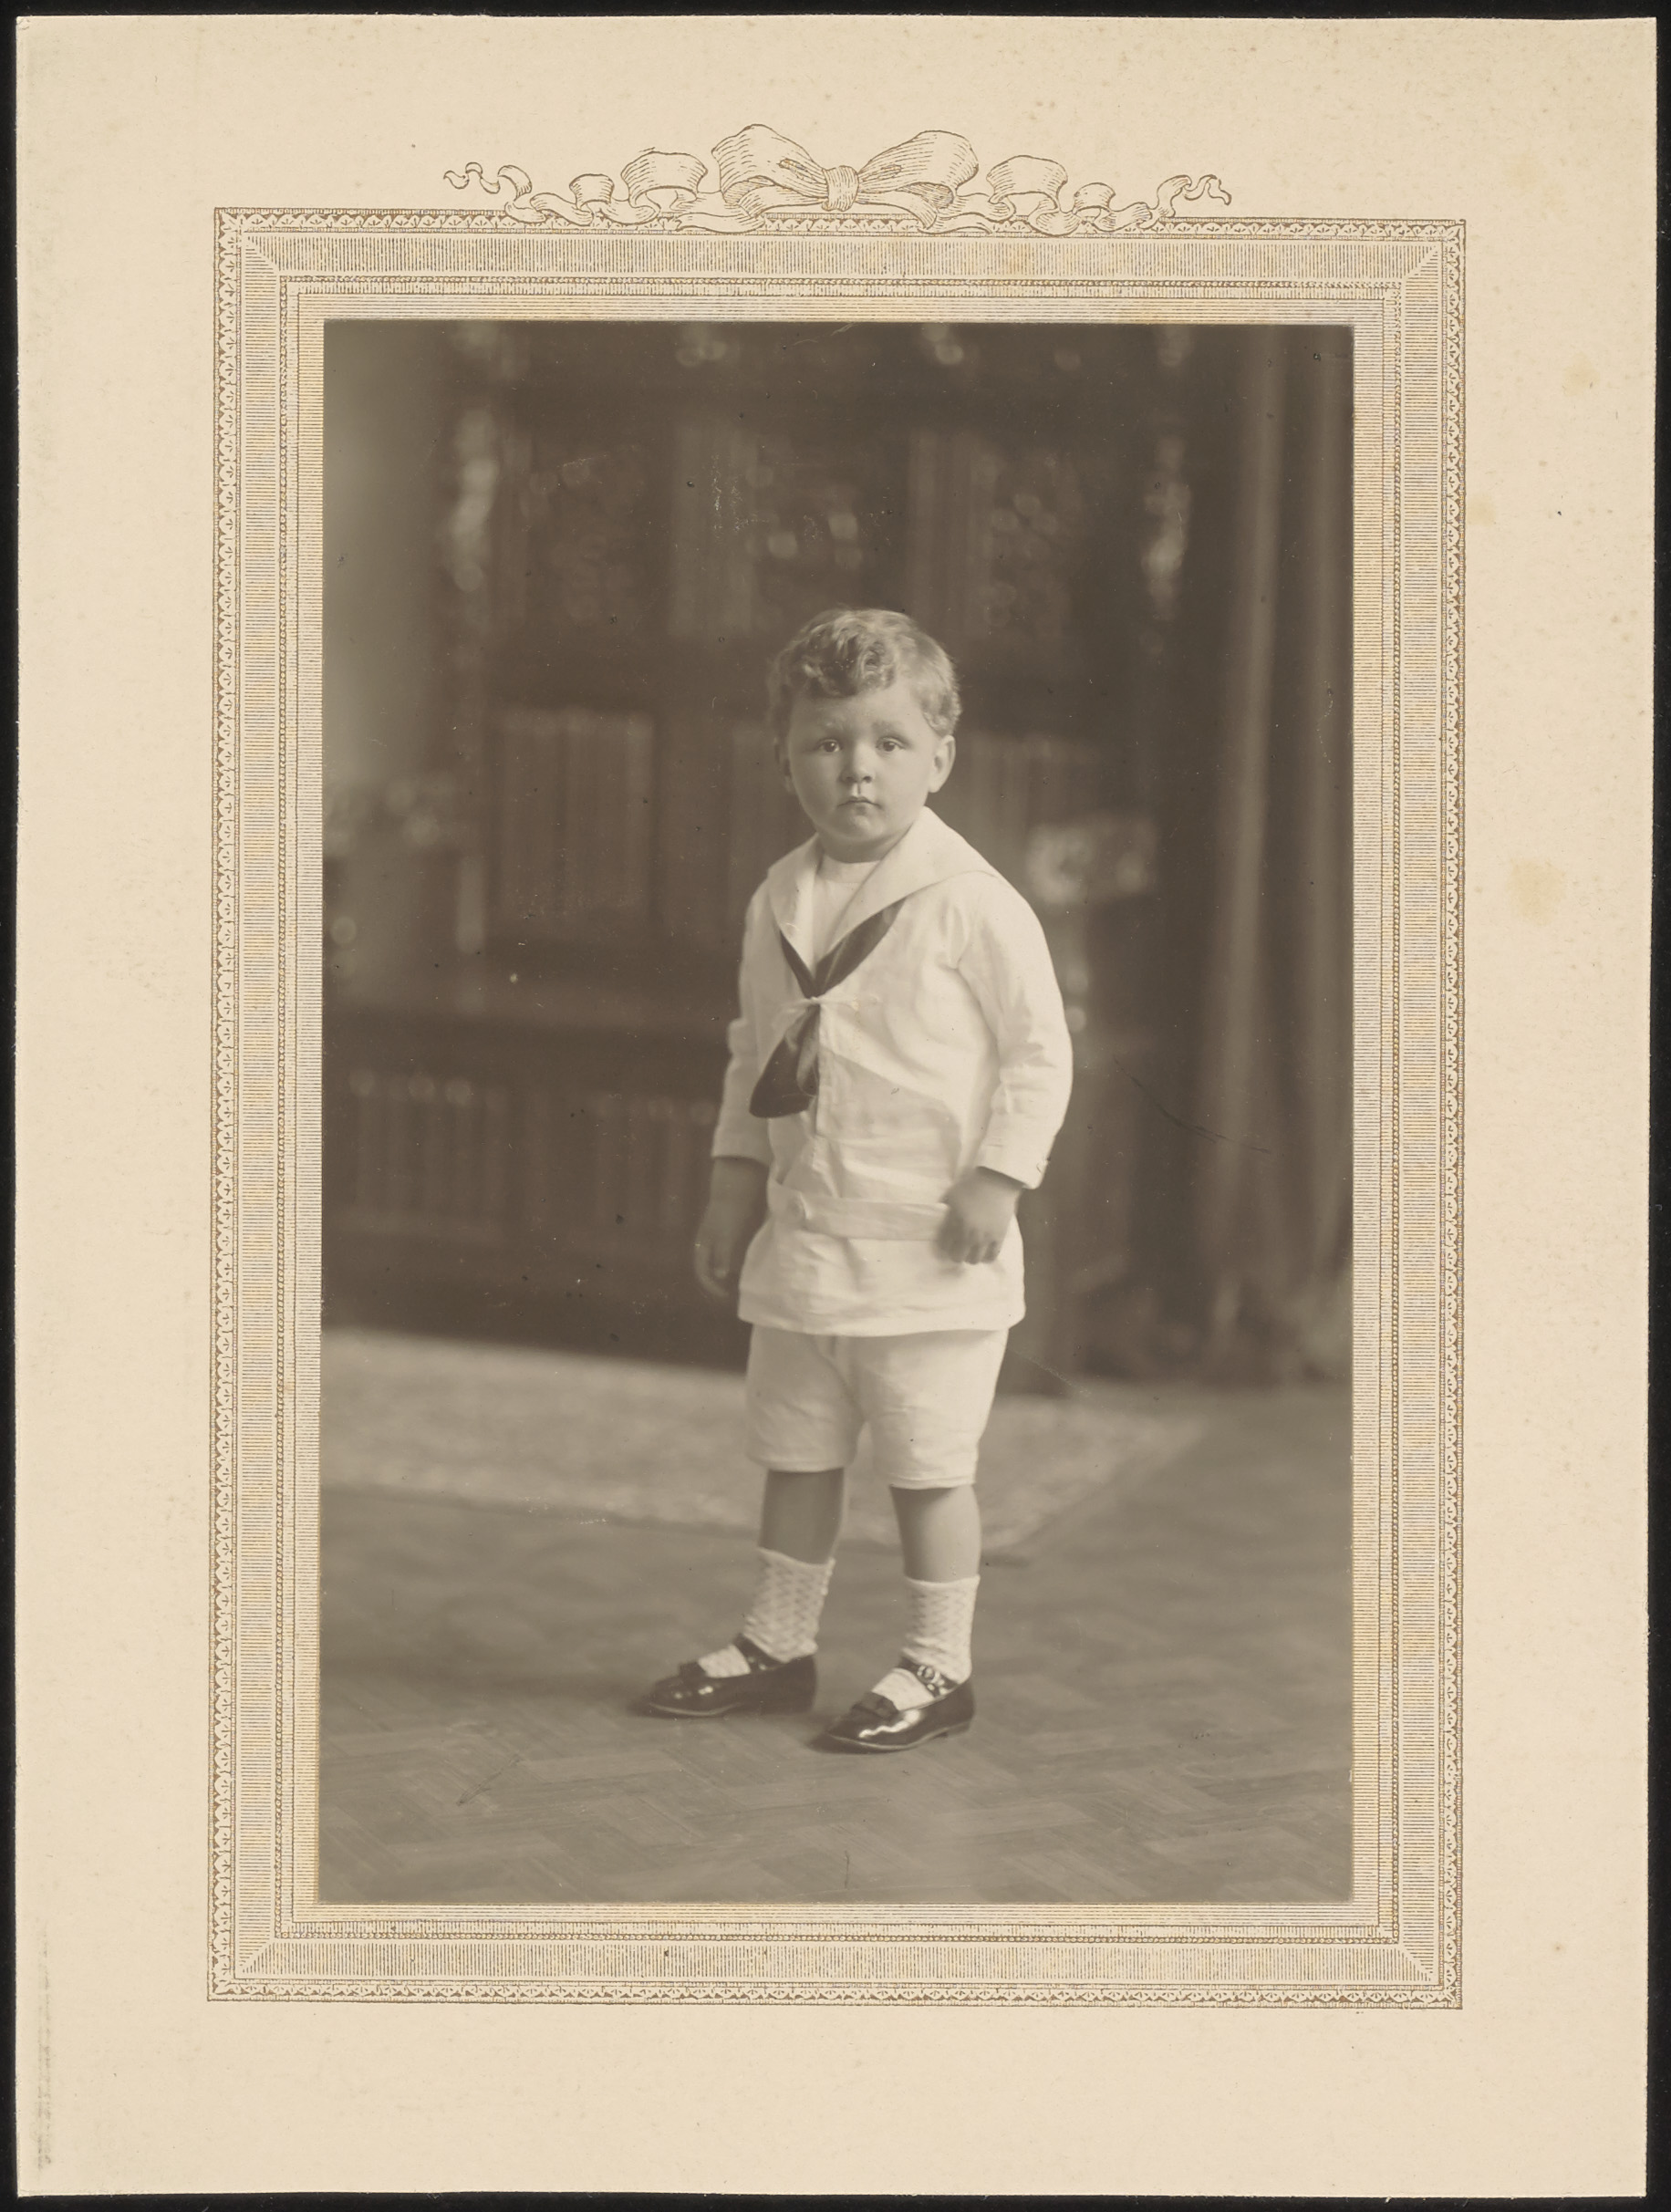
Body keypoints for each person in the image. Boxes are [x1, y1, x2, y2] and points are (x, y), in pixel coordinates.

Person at [640, 608, 1074, 1750]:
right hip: (808, 1239)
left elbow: (1038, 1053)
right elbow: (753, 1051)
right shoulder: (778, 897)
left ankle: (938, 1663)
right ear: (785, 758)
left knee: (927, 1468)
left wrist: (998, 1177)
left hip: (929, 1249)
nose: (856, 769)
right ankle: (777, 1642)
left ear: (940, 756)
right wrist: (732, 1183)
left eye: (887, 742)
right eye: (826, 742)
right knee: (796, 1451)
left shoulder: (970, 901)